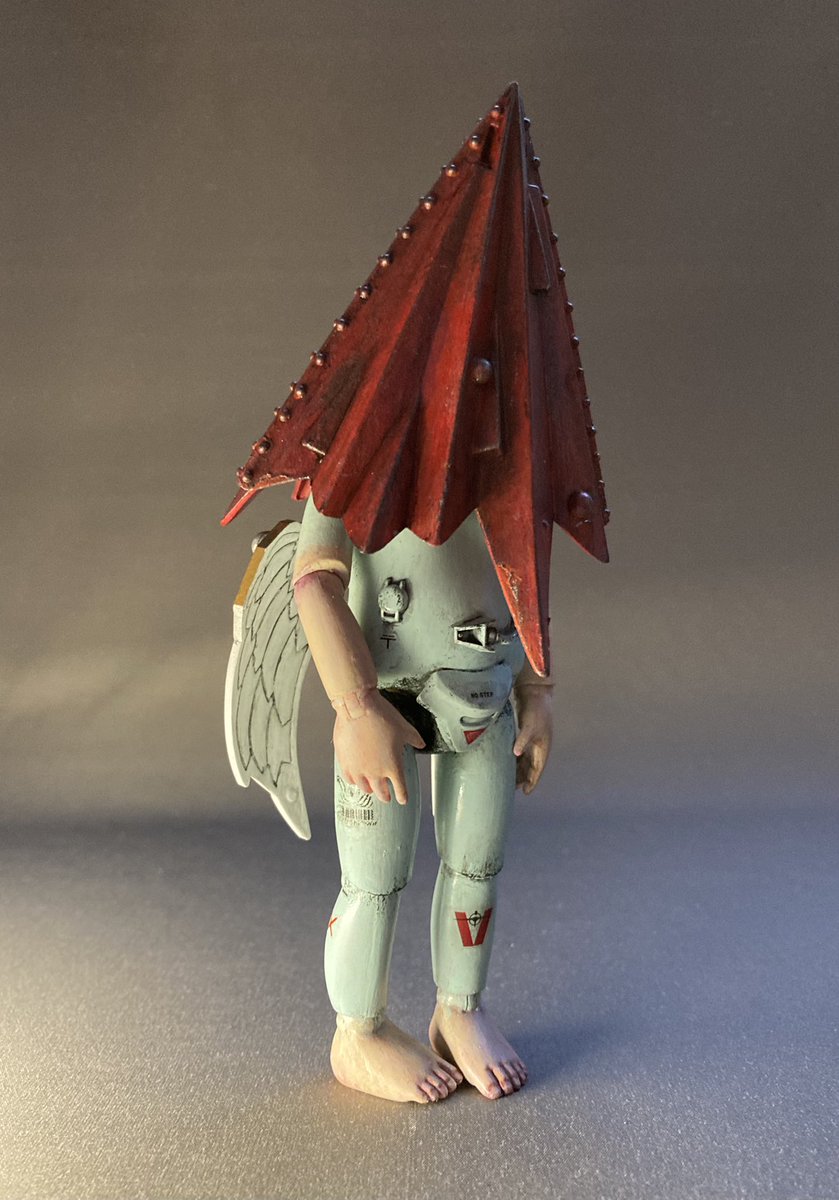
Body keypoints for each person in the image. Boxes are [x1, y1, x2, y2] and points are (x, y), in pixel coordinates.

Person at [292, 497, 554, 1103]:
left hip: (488, 696)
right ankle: (358, 1032)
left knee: (476, 866)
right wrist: (355, 706)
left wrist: (538, 689)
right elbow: (315, 577)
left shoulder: (512, 450)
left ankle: (460, 1008)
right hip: (383, 701)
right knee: (373, 880)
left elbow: (527, 565)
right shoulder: (354, 452)